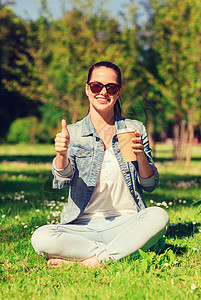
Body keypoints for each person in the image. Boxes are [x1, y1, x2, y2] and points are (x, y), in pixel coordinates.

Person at [31, 61, 169, 268]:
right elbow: (62, 180)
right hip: (82, 225)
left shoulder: (134, 129)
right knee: (41, 237)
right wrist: (61, 154)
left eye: (111, 87)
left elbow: (149, 185)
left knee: (159, 216)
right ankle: (123, 250)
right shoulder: (73, 132)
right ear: (87, 89)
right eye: (96, 86)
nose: (103, 92)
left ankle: (90, 260)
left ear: (118, 92)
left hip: (127, 221)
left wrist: (141, 156)